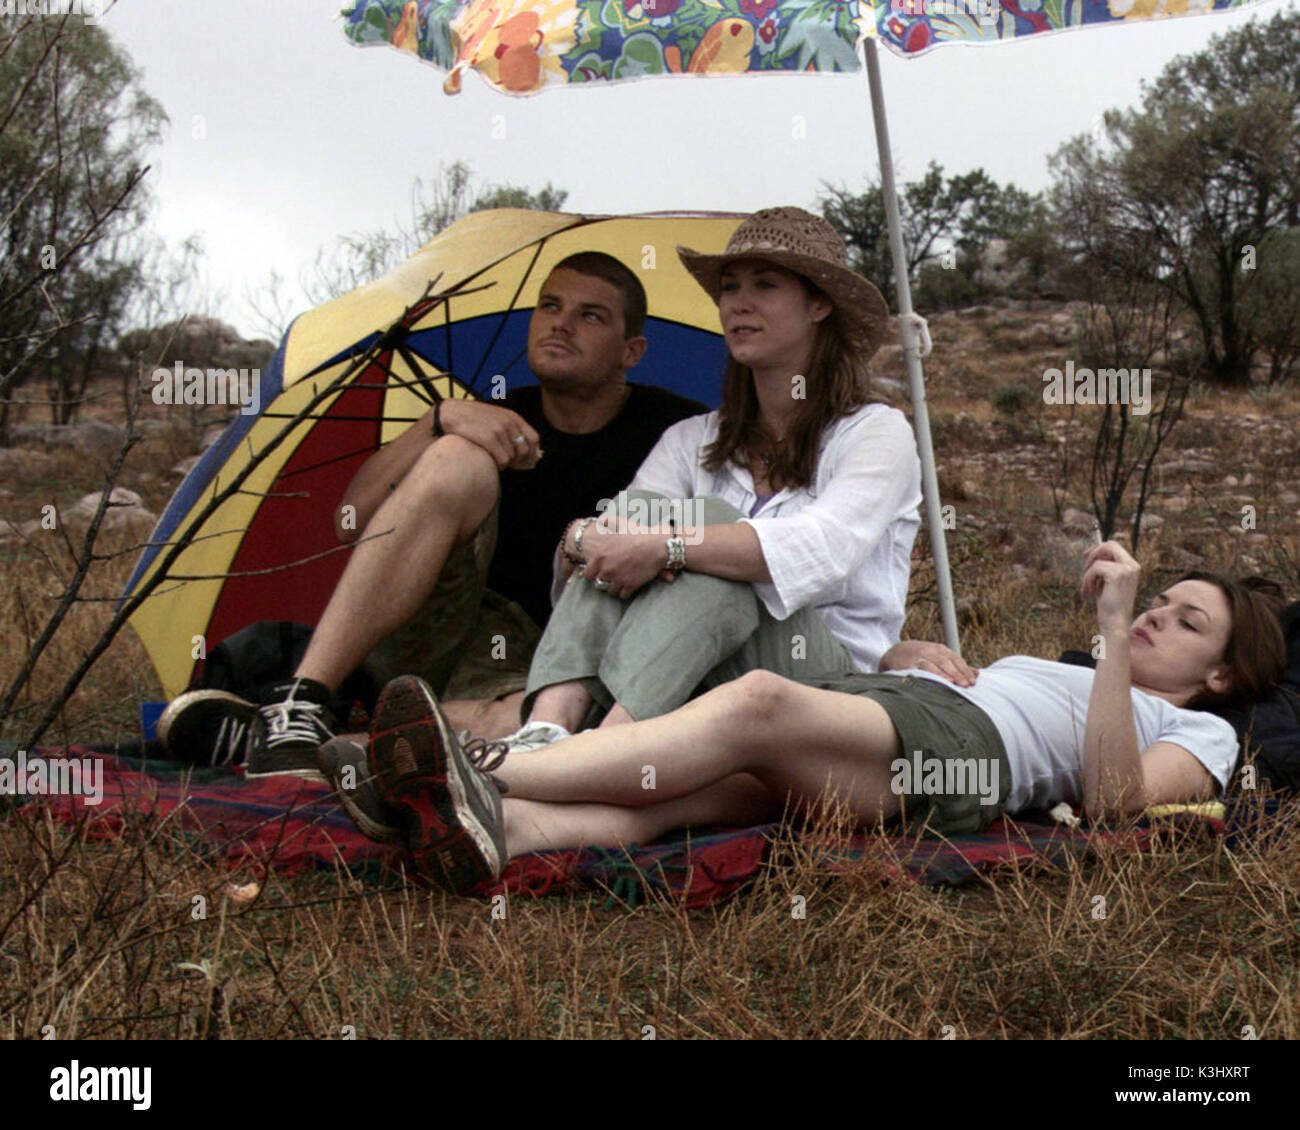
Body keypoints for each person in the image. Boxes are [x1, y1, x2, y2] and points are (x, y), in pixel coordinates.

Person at [319, 540, 1287, 891]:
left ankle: (474, 768)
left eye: (1183, 618)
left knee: (755, 702)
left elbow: (1115, 802)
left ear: (1221, 672)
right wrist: (910, 653)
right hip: (909, 715)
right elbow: (973, 681)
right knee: (686, 793)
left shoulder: (1203, 731)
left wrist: (1114, 631)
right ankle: (501, 831)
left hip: (959, 756)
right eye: (1158, 601)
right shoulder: (1087, 673)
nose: (1157, 611)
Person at [158, 252, 706, 777]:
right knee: (457, 458)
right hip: (446, 626)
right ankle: (301, 701)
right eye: (550, 306)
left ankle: (313, 748)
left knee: (552, 721)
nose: (561, 325)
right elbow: (349, 523)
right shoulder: (487, 415)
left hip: (555, 663)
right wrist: (436, 421)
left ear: (631, 351)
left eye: (590, 316)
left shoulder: (676, 432)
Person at [489, 206, 921, 755]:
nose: (738, 303)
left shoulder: (876, 433)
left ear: (819, 304)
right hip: (690, 667)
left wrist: (670, 548)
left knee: (711, 529)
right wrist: (585, 538)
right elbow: (616, 535)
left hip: (826, 684)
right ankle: (547, 730)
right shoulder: (691, 437)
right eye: (730, 287)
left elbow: (825, 548)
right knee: (644, 515)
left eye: (765, 285)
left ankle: (603, 749)